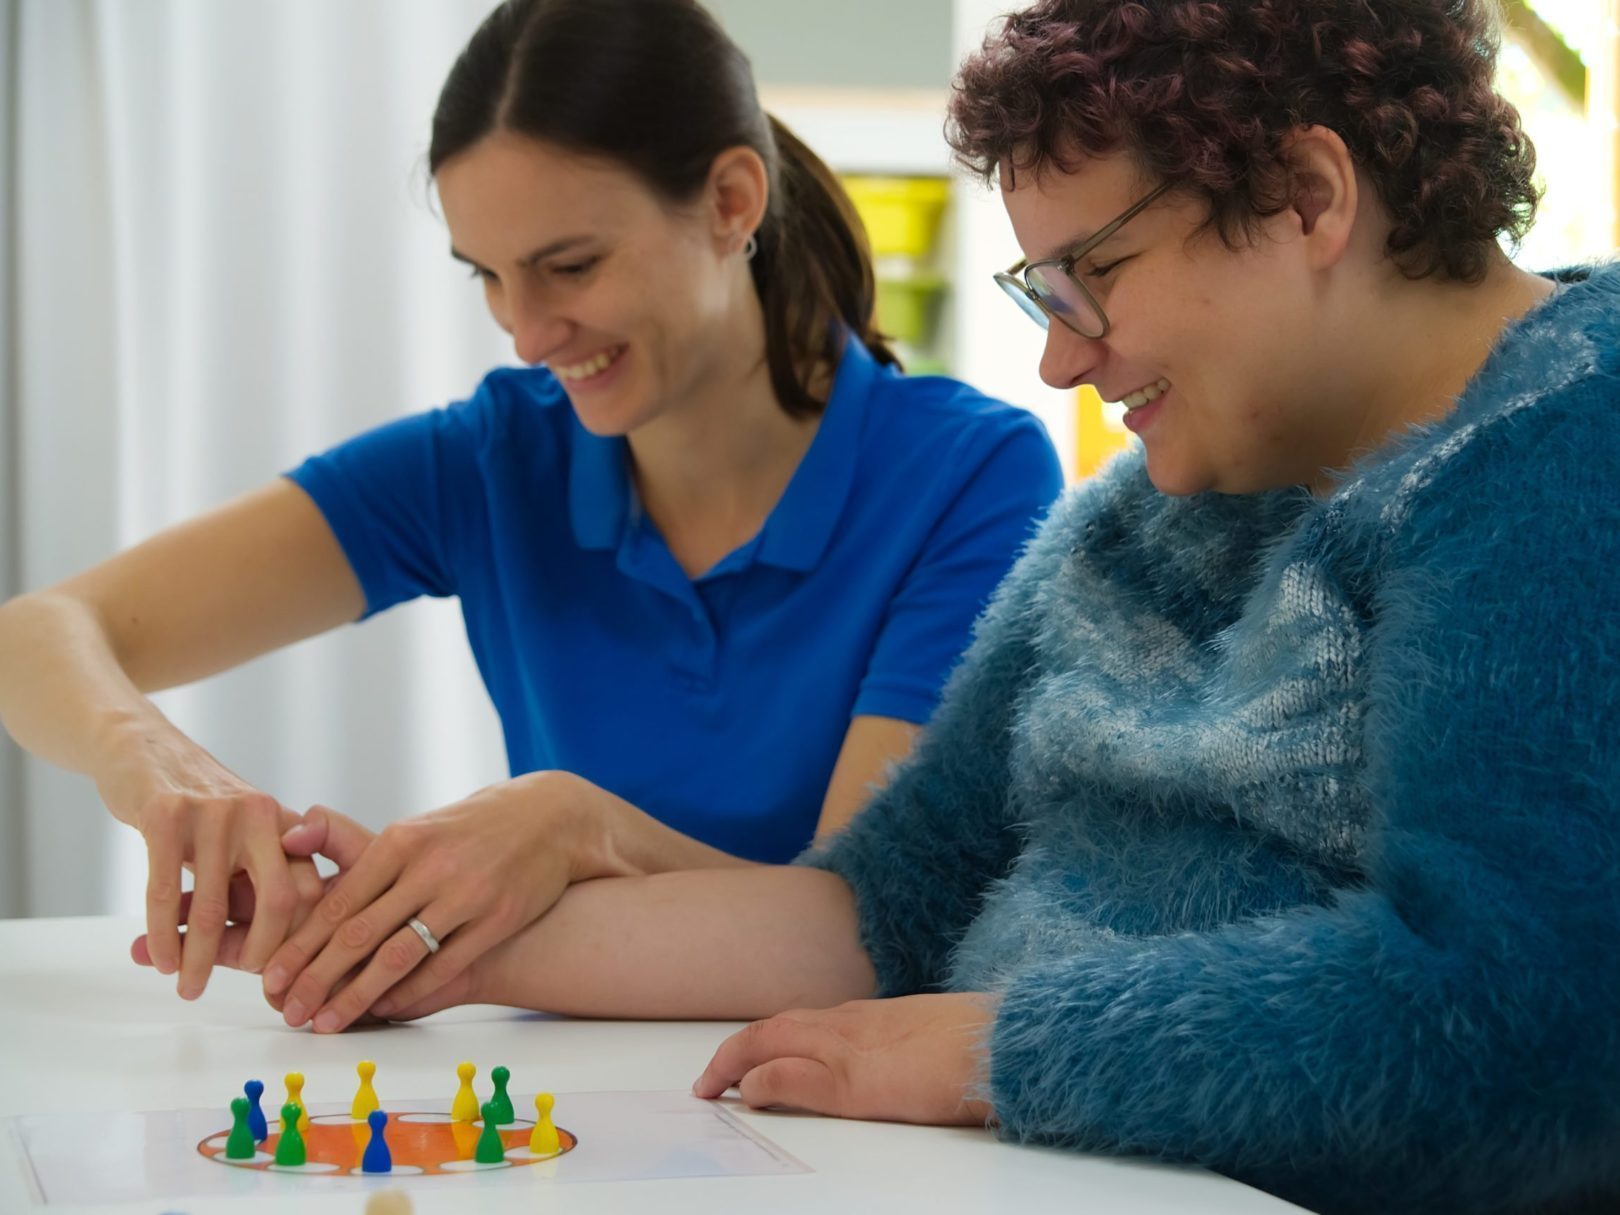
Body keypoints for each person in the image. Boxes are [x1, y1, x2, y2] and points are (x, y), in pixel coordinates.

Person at [187, 0, 1620, 1210]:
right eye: (1039, 291)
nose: (1062, 363)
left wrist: (991, 1052)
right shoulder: (1151, 508)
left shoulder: (1561, 451)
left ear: (1309, 198)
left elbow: (1527, 1019)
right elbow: (882, 901)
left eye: (1092, 277)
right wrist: (406, 935)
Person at [0, 0, 1063, 1016]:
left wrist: (570, 828)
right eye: (490, 278)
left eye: (570, 266)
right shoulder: (492, 459)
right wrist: (159, 767)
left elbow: (854, 928)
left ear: (733, 203)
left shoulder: (971, 475)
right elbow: (34, 636)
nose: (526, 333)